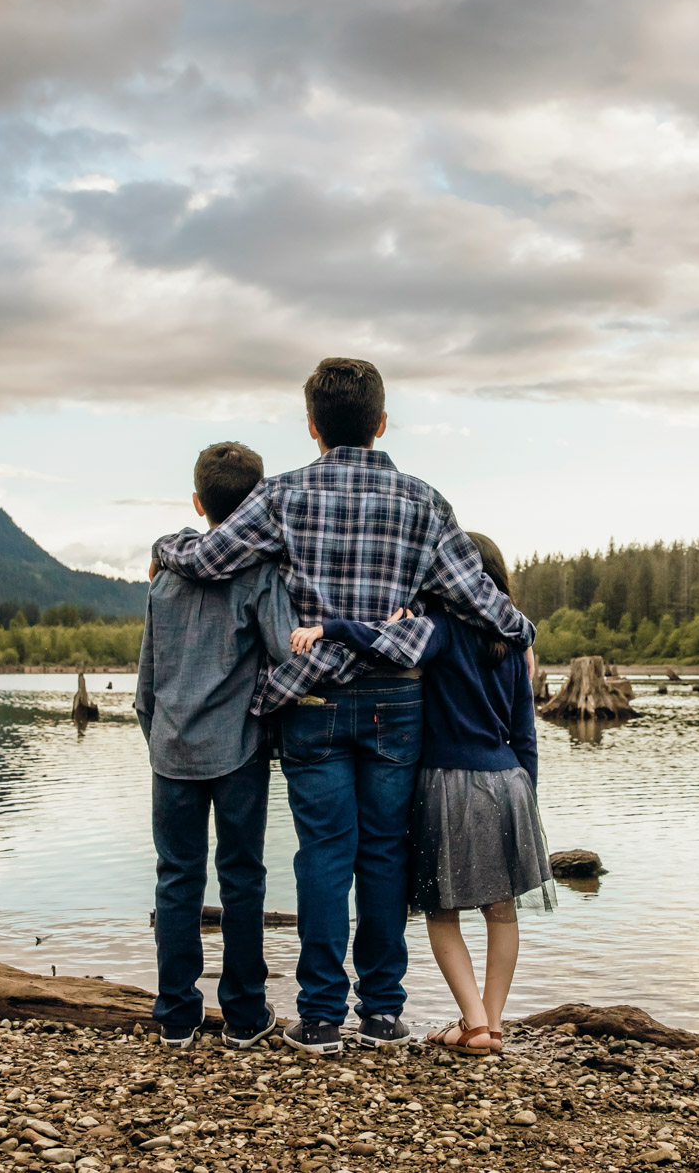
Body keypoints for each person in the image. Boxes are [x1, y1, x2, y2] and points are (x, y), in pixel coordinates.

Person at [152, 358, 534, 1054]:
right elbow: (477, 596)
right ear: (382, 423)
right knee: (384, 853)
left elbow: (207, 560)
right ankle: (383, 1012)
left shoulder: (283, 496)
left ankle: (322, 1015)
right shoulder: (424, 501)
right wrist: (521, 628)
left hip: (311, 697)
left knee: (323, 854)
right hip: (397, 702)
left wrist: (165, 543)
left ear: (312, 427)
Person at [290, 532, 551, 1055]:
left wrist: (328, 627)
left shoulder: (441, 631)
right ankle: (493, 1025)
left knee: (441, 912)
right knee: (503, 913)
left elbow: (382, 645)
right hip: (510, 782)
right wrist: (528, 799)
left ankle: (473, 1024)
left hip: (449, 783)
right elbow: (525, 733)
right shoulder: (515, 641)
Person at [135, 441, 295, 1050]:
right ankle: (246, 1016)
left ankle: (177, 1017)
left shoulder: (164, 579)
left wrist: (159, 738)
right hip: (239, 752)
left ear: (197, 503)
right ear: (256, 503)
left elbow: (147, 681)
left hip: (171, 751)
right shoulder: (258, 575)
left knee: (176, 880)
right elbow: (284, 650)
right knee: (242, 877)